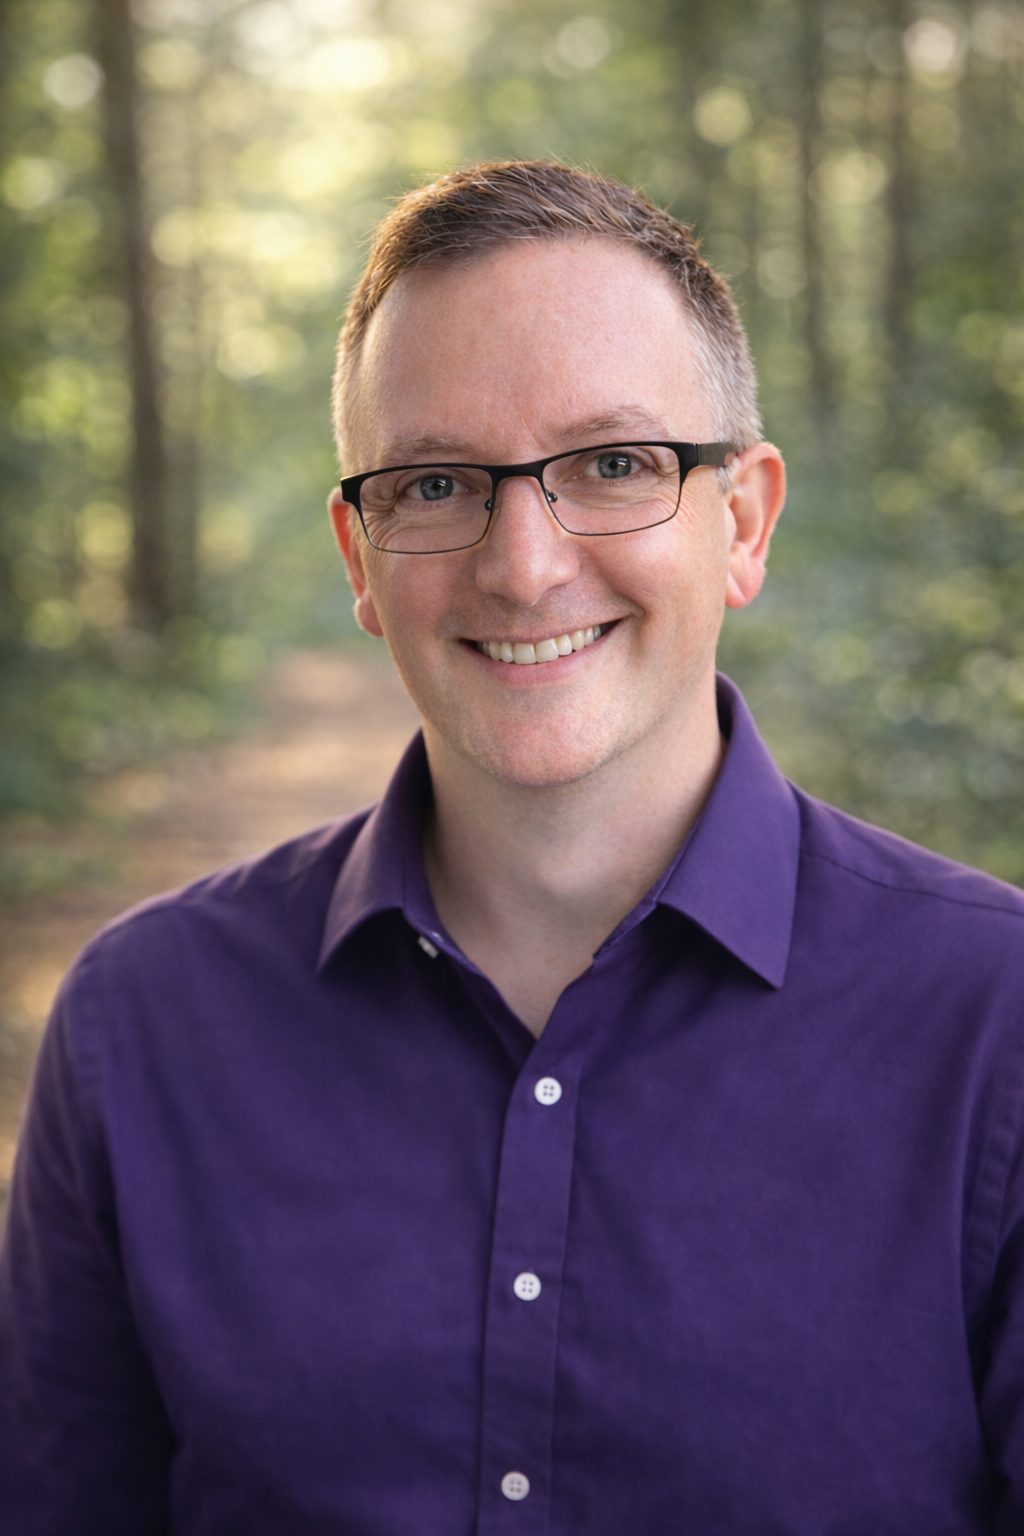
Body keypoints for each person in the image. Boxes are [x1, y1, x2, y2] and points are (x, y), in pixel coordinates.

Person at [2, 160, 1023, 1534]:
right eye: (436, 482)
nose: (526, 564)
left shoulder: (994, 1025)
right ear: (361, 557)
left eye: (613, 463)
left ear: (743, 519)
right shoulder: (141, 1030)